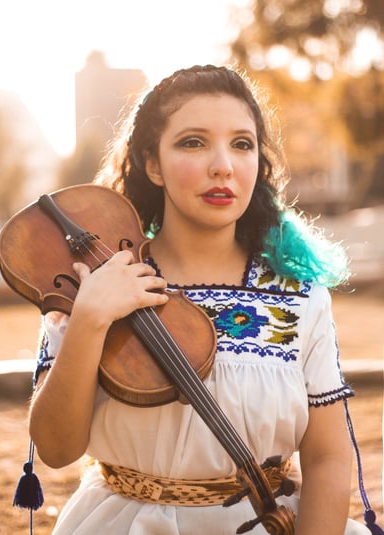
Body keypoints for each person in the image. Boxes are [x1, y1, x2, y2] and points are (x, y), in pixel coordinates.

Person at [28, 64, 372, 534]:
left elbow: (329, 459)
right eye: (193, 142)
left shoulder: (299, 297)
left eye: (241, 144)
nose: (223, 166)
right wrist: (89, 317)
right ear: (153, 164)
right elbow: (56, 449)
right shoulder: (92, 281)